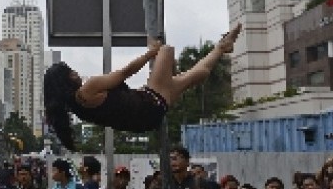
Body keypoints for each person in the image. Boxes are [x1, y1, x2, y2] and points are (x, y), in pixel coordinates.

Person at [43, 24, 241, 150]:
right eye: (71, 72)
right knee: (166, 50)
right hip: (150, 101)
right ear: (65, 80)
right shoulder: (87, 90)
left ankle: (222, 47)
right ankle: (174, 75)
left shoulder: (77, 107)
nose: (76, 73)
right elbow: (125, 72)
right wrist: (151, 53)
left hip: (149, 115)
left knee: (197, 75)